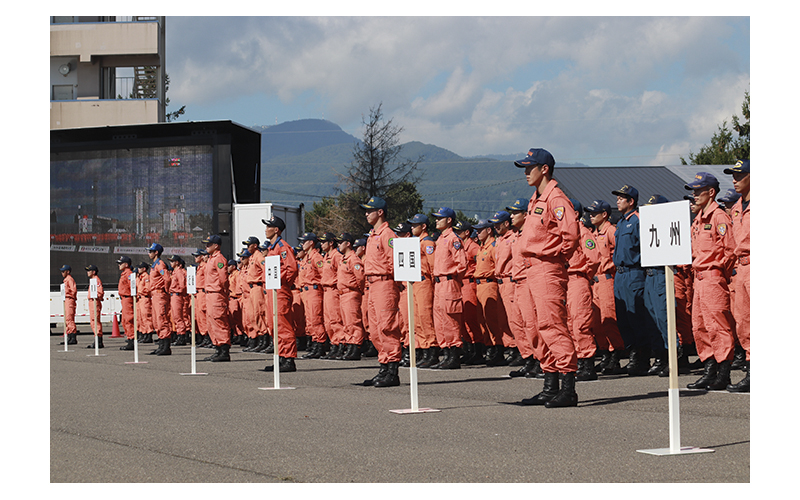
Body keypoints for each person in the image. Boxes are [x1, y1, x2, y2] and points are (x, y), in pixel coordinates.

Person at [514, 148, 580, 408]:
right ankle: (550, 384)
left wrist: (558, 259)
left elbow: (571, 236)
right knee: (535, 327)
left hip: (547, 267)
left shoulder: (556, 198)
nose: (526, 172)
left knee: (553, 325)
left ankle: (568, 388)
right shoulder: (536, 199)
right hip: (531, 268)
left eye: (530, 167)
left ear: (545, 169)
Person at [684, 172, 737, 391]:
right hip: (699, 279)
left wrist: (718, 272)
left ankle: (723, 372)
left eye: (698, 191)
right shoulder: (698, 219)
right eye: (693, 191)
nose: (694, 196)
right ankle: (709, 368)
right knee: (700, 326)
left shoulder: (718, 217)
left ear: (711, 192)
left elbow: (730, 250)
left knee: (718, 325)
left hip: (713, 278)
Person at [359, 196, 403, 386]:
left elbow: (394, 262)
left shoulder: (387, 235)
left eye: (370, 210)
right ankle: (383, 366)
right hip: (372, 284)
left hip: (384, 283)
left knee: (387, 326)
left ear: (380, 212)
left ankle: (392, 371)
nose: (366, 213)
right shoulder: (372, 235)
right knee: (375, 329)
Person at [610, 184, 651, 376]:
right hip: (620, 274)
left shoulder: (637, 220)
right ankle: (633, 352)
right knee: (623, 316)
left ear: (631, 201)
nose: (617, 200)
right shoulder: (620, 223)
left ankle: (641, 357)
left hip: (634, 272)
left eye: (621, 197)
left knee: (636, 315)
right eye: (617, 197)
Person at [583, 200, 626, 374]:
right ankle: (605, 352)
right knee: (596, 322)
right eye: (590, 213)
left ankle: (615, 354)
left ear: (604, 214)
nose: (591, 216)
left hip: (607, 278)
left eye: (595, 213)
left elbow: (619, 253)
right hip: (595, 281)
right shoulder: (594, 233)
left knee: (609, 318)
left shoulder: (611, 231)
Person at [566, 199, 601, 381]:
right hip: (567, 281)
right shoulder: (566, 233)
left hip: (578, 279)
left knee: (581, 323)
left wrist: (585, 275)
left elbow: (594, 259)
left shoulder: (582, 232)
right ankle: (579, 360)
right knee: (570, 324)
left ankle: (588, 364)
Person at [430, 207, 468, 369]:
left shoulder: (453, 238)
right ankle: (445, 352)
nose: (437, 220)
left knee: (451, 319)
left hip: (448, 282)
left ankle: (454, 355)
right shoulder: (440, 239)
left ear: (449, 220)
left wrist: (452, 277)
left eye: (440, 218)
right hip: (439, 283)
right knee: (439, 319)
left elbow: (462, 264)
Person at [472, 219, 512, 368]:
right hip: (480, 285)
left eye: (480, 230)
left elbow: (499, 267)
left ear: (489, 231)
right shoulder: (482, 248)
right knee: (482, 320)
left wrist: (487, 273)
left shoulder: (493, 246)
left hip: (489, 284)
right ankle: (490, 347)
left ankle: (498, 349)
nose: (477, 233)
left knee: (493, 320)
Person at [507, 198, 540, 376]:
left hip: (528, 281)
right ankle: (528, 358)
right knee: (518, 324)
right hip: (517, 282)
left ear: (525, 215)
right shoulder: (517, 235)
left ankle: (540, 359)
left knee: (532, 323)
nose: (511, 216)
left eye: (515, 212)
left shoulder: (530, 233)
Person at [724, 159, 750, 392]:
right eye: (733, 175)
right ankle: (752, 371)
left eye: (740, 175)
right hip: (741, 268)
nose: (734, 179)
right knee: (742, 320)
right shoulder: (736, 208)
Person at [261, 216, 299, 372]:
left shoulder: (283, 247)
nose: (265, 229)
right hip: (271, 290)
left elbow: (292, 269)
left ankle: (289, 359)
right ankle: (280, 356)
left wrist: (283, 283)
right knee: (273, 324)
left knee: (283, 324)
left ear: (276, 230)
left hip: (280, 290)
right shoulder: (272, 248)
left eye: (268, 226)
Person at [641, 195, 673, 377]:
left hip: (662, 274)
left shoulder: (668, 227)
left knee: (664, 318)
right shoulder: (648, 228)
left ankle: (672, 357)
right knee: (651, 318)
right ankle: (660, 357)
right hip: (649, 275)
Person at [407, 214, 440, 368]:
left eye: (415, 225)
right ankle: (424, 349)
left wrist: (434, 284)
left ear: (423, 226)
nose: (412, 227)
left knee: (425, 317)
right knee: (417, 319)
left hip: (424, 281)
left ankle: (432, 351)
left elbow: (433, 266)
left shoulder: (427, 243)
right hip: (415, 281)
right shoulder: (417, 242)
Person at [490, 210, 521, 366]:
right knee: (504, 320)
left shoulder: (513, 237)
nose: (496, 226)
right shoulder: (500, 239)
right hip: (500, 282)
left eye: (498, 223)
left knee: (515, 319)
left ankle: (520, 350)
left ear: (506, 223)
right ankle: (511, 349)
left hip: (510, 280)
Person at [453, 220, 484, 365]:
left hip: (469, 283)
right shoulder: (461, 246)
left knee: (471, 318)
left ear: (466, 233)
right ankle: (469, 349)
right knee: (463, 319)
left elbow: (481, 264)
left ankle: (478, 350)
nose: (457, 235)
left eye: (459, 232)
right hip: (461, 283)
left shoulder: (473, 248)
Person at [201, 235, 231, 362]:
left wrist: (223, 290)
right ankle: (217, 348)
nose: (206, 246)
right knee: (211, 321)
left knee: (219, 321)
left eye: (209, 244)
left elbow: (223, 278)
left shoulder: (219, 259)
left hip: (216, 293)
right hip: (210, 294)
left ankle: (224, 350)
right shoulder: (210, 259)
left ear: (216, 246)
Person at [336, 232, 366, 360]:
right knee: (347, 322)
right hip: (343, 294)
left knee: (353, 321)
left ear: (348, 244)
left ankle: (356, 346)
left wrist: (357, 291)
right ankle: (350, 345)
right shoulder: (344, 259)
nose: (338, 244)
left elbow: (360, 278)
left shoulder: (353, 259)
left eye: (340, 242)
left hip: (350, 293)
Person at [297, 232, 327, 359]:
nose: (302, 244)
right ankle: (314, 344)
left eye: (304, 241)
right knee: (309, 320)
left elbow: (323, 274)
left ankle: (320, 345)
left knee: (316, 319)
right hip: (306, 291)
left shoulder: (316, 257)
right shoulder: (306, 258)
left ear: (311, 243)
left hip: (314, 291)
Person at [319, 232, 347, 359]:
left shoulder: (336, 255)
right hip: (326, 290)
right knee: (328, 321)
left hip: (333, 289)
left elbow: (340, 273)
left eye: (324, 241)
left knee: (336, 319)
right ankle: (334, 344)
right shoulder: (326, 256)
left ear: (331, 243)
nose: (321, 244)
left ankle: (341, 344)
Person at [243, 236, 270, 352]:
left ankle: (266, 339)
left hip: (258, 287)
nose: (247, 247)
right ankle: (260, 338)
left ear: (255, 245)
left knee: (260, 313)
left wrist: (264, 286)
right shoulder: (252, 257)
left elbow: (266, 269)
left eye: (249, 245)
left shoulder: (259, 256)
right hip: (252, 289)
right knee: (254, 315)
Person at [146, 243, 172, 356]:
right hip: (154, 295)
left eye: (151, 251)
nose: (149, 253)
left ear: (156, 252)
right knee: (156, 321)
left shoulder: (160, 264)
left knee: (162, 319)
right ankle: (161, 344)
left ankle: (166, 346)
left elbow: (167, 278)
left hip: (160, 294)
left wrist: (165, 290)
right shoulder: (154, 265)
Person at [167, 255, 189, 346]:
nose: (171, 263)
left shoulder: (179, 272)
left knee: (178, 317)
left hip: (177, 295)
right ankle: (179, 335)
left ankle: (181, 336)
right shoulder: (175, 272)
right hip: (174, 296)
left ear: (177, 262)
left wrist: (179, 291)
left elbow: (182, 285)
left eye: (172, 261)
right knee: (175, 317)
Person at [116, 256, 136, 350]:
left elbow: (132, 287)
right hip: (124, 299)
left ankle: (131, 339)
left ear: (126, 264)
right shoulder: (124, 274)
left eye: (121, 263)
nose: (119, 265)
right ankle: (129, 338)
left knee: (128, 320)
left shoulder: (129, 274)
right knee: (124, 320)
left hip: (128, 299)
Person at [85, 264, 104, 349]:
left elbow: (100, 292)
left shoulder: (96, 280)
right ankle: (96, 338)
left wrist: (96, 296)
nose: (87, 272)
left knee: (95, 320)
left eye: (89, 271)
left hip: (95, 301)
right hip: (92, 301)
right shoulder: (93, 280)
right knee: (93, 320)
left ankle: (98, 339)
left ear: (93, 272)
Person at [227, 259, 246, 347]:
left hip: (236, 297)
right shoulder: (231, 275)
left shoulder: (236, 274)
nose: (227, 267)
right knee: (232, 319)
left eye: (229, 265)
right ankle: (237, 335)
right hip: (231, 298)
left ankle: (241, 335)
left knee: (238, 318)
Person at [60, 265, 78, 345]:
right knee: (67, 319)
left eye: (63, 271)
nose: (62, 273)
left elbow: (73, 290)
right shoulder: (66, 280)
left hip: (69, 299)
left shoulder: (69, 279)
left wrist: (68, 294)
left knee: (69, 318)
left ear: (68, 271)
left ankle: (72, 336)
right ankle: (69, 336)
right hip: (67, 299)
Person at [136, 262, 154, 343]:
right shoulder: (140, 277)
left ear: (144, 269)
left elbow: (147, 289)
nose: (138, 269)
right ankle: (144, 333)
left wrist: (141, 292)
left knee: (146, 317)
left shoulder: (146, 277)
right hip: (140, 299)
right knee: (141, 318)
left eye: (140, 268)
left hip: (144, 298)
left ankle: (149, 334)